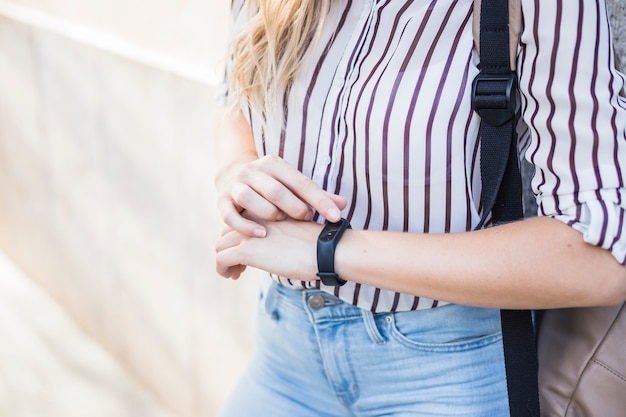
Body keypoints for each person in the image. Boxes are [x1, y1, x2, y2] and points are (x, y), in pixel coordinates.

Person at [214, 0, 626, 416]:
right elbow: (235, 93)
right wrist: (237, 172)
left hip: (444, 369)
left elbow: (598, 251)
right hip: (284, 347)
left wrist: (328, 250)